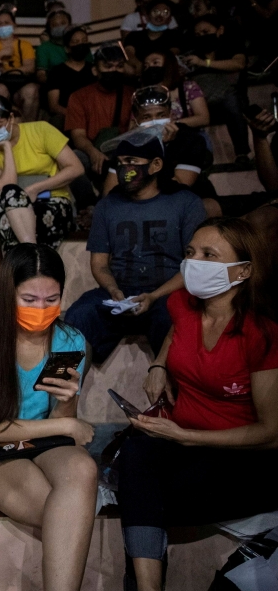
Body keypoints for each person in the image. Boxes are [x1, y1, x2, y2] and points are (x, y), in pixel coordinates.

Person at [116, 217, 278, 591]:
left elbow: (271, 434)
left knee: (144, 497)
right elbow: (178, 329)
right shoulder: (182, 304)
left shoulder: (261, 332)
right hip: (184, 438)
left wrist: (188, 437)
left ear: (243, 270)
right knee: (138, 451)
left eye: (209, 254)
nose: (194, 262)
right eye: (190, 253)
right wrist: (159, 362)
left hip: (243, 454)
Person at [0, 243, 97, 591]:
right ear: (7, 294)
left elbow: (64, 423)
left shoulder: (68, 339)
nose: (41, 309)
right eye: (29, 299)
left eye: (52, 299)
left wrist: (65, 403)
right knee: (64, 507)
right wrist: (66, 423)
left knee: (83, 470)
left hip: (42, 441)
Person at [65, 132, 205, 366]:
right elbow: (99, 264)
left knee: (174, 317)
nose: (124, 168)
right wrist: (113, 291)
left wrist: (154, 296)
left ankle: (172, 394)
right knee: (78, 315)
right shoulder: (107, 206)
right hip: (119, 295)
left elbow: (194, 265)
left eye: (132, 162)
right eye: (120, 163)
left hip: (166, 294)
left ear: (156, 165)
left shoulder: (186, 202)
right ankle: (57, 390)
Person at [0, 96, 85, 253]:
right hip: (13, 208)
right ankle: (32, 256)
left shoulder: (41, 130)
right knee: (9, 218)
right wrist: (7, 147)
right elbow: (6, 188)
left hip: (52, 200)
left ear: (11, 118)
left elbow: (76, 168)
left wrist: (35, 189)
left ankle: (30, 258)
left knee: (38, 217)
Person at [182, 15, 250, 164]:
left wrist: (203, 63)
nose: (202, 37)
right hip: (201, 99)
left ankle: (242, 152)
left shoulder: (231, 46)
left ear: (220, 30)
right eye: (198, 34)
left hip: (227, 94)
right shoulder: (192, 53)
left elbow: (238, 64)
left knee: (232, 103)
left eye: (206, 32)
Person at [66, 42, 135, 183]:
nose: (114, 71)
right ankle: (88, 202)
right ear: (95, 70)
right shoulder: (79, 96)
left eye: (119, 66)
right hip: (92, 150)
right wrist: (93, 153)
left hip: (125, 151)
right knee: (75, 158)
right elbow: (78, 137)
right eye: (108, 66)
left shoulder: (132, 95)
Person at [0, 8, 40, 121]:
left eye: (7, 23)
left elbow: (30, 68)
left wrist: (4, 71)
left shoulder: (24, 45)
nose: (3, 26)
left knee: (31, 90)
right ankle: (3, 127)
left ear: (14, 25)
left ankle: (28, 129)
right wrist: (0, 54)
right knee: (0, 90)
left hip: (21, 82)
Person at [138, 47, 210, 128]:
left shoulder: (188, 87)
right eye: (146, 66)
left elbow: (203, 118)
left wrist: (171, 125)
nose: (150, 67)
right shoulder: (141, 95)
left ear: (168, 65)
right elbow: (134, 125)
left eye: (155, 63)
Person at [45, 26, 95, 130]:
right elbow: (54, 106)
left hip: (93, 115)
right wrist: (76, 115)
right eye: (76, 41)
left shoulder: (94, 69)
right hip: (67, 115)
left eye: (84, 41)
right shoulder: (56, 71)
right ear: (67, 48)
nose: (81, 44)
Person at [123, 0, 182, 76]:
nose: (159, 16)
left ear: (170, 19)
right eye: (155, 12)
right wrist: (140, 65)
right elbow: (128, 52)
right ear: (147, 16)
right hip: (137, 73)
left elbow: (172, 54)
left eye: (165, 13)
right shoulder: (134, 35)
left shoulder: (174, 36)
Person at [35, 10, 72, 84]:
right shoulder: (44, 48)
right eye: (55, 25)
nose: (59, 27)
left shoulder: (80, 46)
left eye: (63, 23)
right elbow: (41, 75)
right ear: (49, 29)